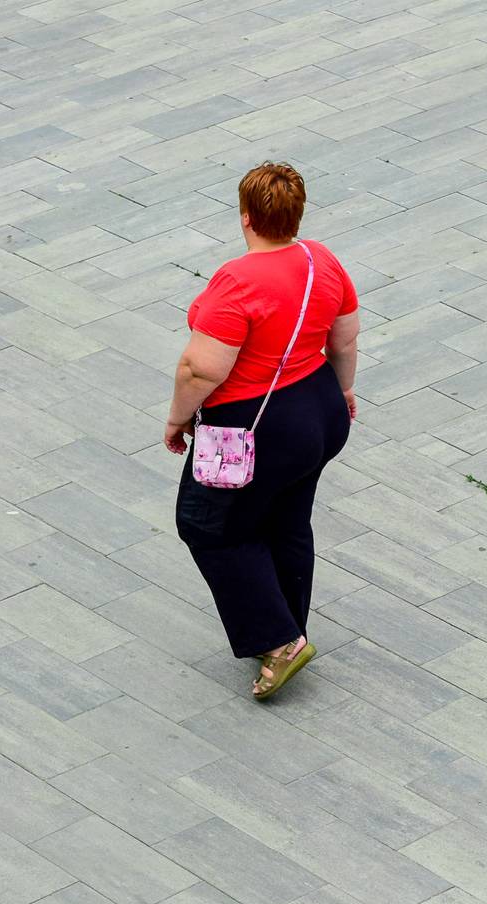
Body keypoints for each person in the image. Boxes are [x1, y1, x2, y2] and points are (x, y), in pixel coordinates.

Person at [165, 161, 359, 700]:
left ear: (247, 216)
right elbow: (343, 339)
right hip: (318, 410)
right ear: (297, 213)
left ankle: (279, 643)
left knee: (208, 526)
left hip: (255, 427)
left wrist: (178, 416)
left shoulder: (237, 280)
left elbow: (200, 370)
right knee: (288, 520)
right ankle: (290, 621)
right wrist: (342, 394)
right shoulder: (323, 260)